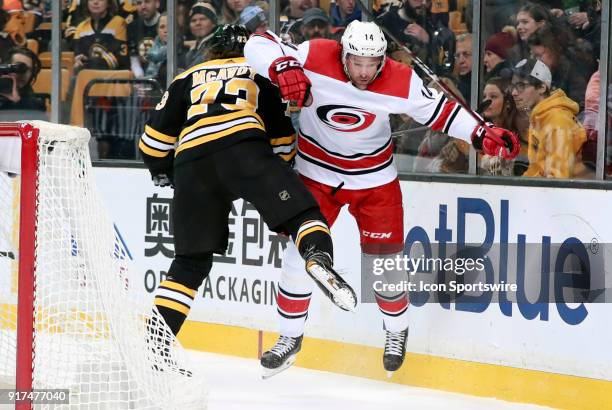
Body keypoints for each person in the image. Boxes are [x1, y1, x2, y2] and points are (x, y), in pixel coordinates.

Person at [244, 20, 519, 376]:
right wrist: (282, 65)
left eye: (371, 63)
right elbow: (257, 43)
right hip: (316, 176)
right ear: (342, 53)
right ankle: (289, 337)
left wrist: (482, 133)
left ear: (382, 60)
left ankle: (395, 329)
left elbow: (442, 113)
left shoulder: (400, 78)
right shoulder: (315, 53)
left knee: (383, 268)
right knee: (299, 258)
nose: (363, 71)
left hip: (375, 182)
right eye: (356, 62)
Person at [140, 25, 358, 372]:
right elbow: (283, 139)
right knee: (303, 215)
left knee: (189, 263)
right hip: (244, 148)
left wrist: (164, 171)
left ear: (211, 50)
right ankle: (317, 255)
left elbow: (152, 144)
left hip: (191, 163)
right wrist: (278, 175)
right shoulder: (262, 70)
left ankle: (153, 348)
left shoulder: (186, 77)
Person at [510, 58, 588, 179]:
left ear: (542, 87)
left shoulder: (557, 122)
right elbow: (536, 169)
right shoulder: (540, 118)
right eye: (513, 86)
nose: (514, 92)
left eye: (521, 85)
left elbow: (558, 180)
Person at [479, 76, 529, 175]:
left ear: (507, 102)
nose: (486, 101)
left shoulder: (523, 135)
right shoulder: (479, 133)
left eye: (493, 96)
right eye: (484, 97)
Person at [73, 0, 129, 71]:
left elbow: (120, 58)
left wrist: (90, 62)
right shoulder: (81, 27)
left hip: (113, 76)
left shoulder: (119, 23)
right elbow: (78, 56)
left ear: (109, 3)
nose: (95, 2)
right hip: (87, 75)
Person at [0, 46, 45, 112]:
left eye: (28, 69)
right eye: (18, 67)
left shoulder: (34, 103)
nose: (23, 73)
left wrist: (17, 102)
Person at [127, 0, 161, 78]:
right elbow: (133, 57)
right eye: (139, 3)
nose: (143, 6)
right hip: (141, 81)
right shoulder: (132, 27)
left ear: (157, 3)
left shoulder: (167, 24)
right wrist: (139, 77)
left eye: (147, 1)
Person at [183, 2, 217, 68]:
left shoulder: (218, 44)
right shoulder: (193, 49)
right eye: (193, 20)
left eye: (202, 19)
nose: (197, 23)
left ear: (213, 23)